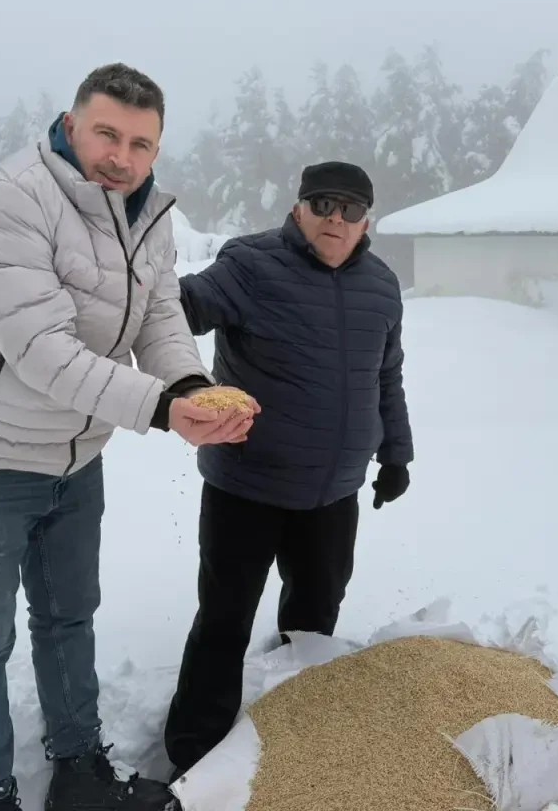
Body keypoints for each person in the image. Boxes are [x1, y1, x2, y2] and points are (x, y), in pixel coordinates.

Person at [0, 63, 257, 811]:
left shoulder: (144, 213)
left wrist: (192, 387)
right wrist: (164, 411)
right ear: (71, 126)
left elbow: (162, 317)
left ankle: (79, 774)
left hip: (74, 455)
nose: (121, 157)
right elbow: (42, 351)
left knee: (69, 615)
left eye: (140, 143)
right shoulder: (12, 201)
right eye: (107, 133)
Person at [161, 160, 415, 779]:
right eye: (323, 203)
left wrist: (396, 454)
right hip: (247, 484)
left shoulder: (381, 285)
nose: (336, 218)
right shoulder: (250, 264)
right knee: (224, 620)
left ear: (366, 221)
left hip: (334, 494)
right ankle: (195, 753)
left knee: (314, 621)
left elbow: (386, 376)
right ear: (299, 207)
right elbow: (178, 310)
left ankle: (298, 732)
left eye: (350, 208)